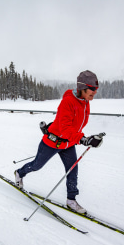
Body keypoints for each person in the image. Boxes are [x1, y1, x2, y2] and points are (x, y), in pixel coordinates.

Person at [14, 70, 104, 214]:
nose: (95, 92)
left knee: (72, 170)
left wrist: (87, 139)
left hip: (68, 144)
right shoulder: (67, 102)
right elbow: (65, 128)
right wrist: (83, 140)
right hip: (52, 142)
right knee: (37, 165)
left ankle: (71, 200)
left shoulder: (85, 102)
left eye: (96, 89)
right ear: (82, 88)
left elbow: (76, 126)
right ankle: (19, 173)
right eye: (92, 89)